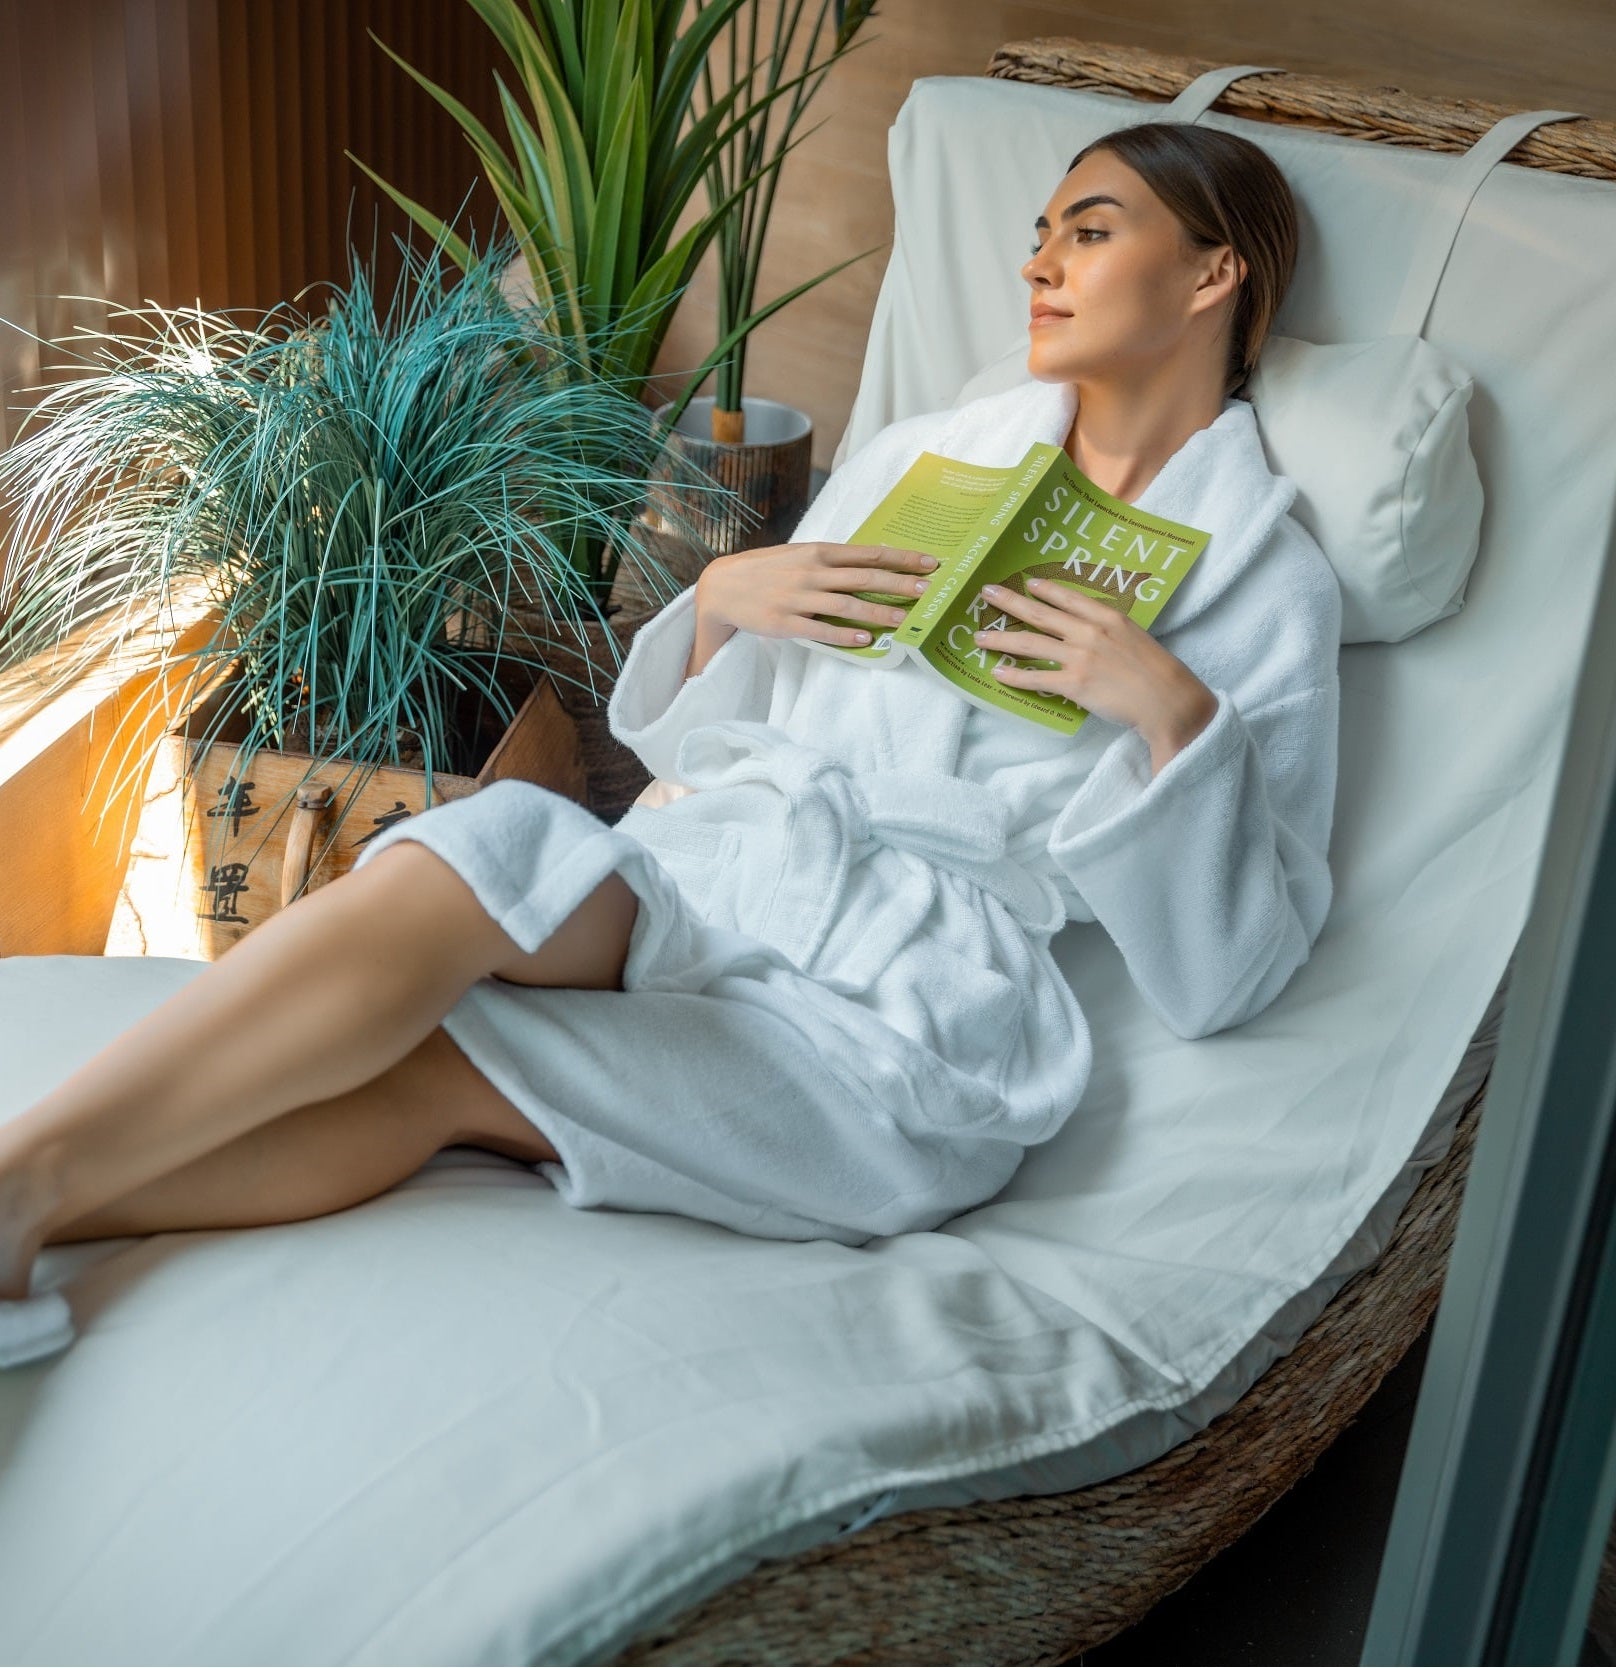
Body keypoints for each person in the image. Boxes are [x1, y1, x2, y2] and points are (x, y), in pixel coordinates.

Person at [0, 123, 1343, 1327]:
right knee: (475, 854)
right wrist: (721, 605)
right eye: (1038, 235)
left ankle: (25, 1210)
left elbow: (1231, 972)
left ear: (1212, 274)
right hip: (745, 871)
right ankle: (16, 1191)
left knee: (442, 1065)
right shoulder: (931, 462)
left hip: (912, 1027)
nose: (1042, 264)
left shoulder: (1262, 571)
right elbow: (704, 753)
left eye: (1091, 232)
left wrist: (1173, 717)